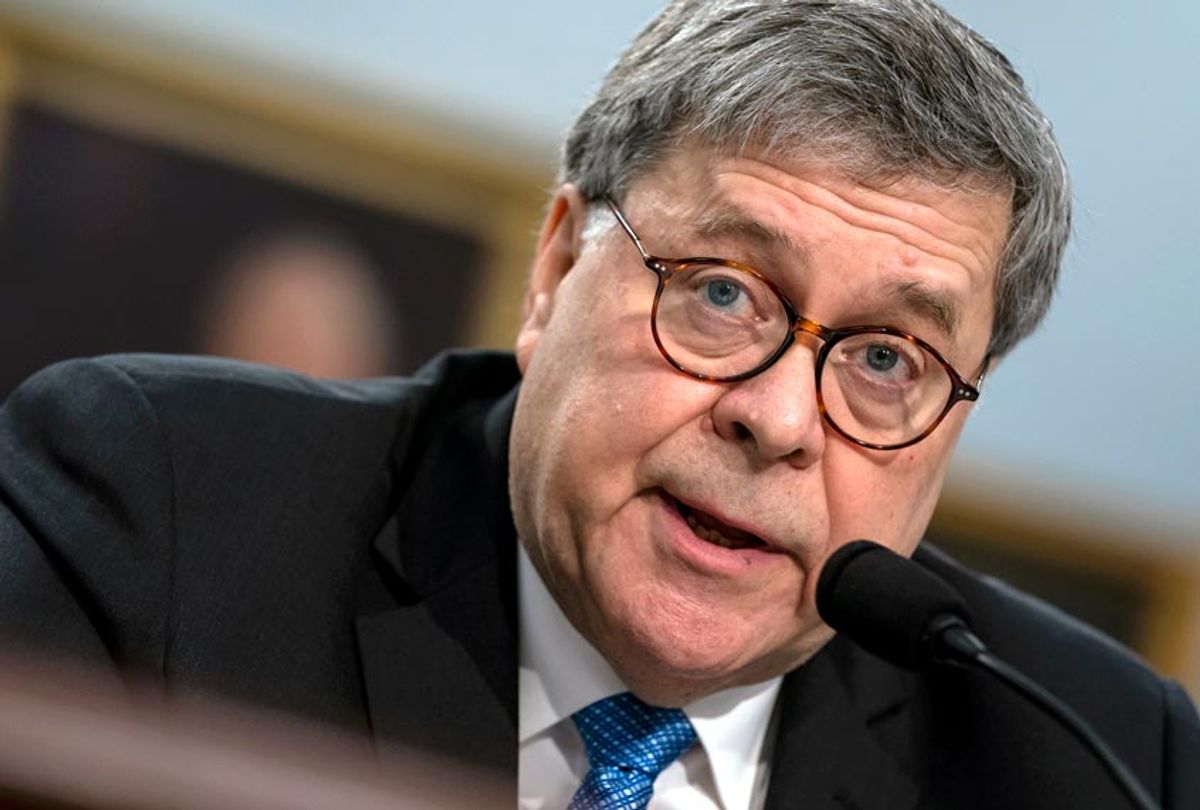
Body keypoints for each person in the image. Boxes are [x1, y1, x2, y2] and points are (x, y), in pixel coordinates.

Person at [0, 1, 1196, 808]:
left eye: (887, 361)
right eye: (723, 292)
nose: (778, 420)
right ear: (557, 268)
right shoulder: (153, 516)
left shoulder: (1097, 761)